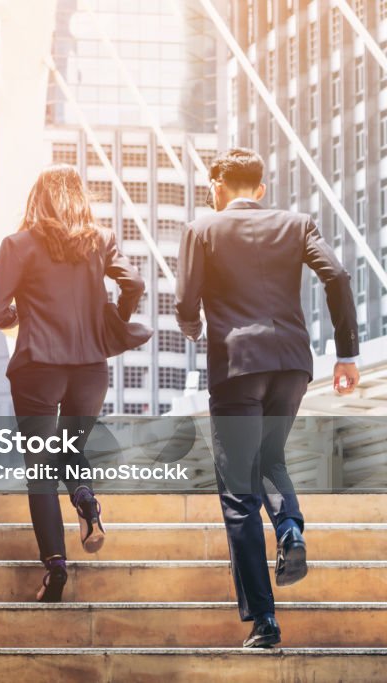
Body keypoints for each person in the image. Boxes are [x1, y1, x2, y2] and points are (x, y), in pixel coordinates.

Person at [176, 148, 360, 648]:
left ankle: (265, 621)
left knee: (238, 494)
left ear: (217, 185)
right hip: (292, 364)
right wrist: (346, 354)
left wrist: (192, 326)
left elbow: (185, 302)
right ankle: (290, 529)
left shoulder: (201, 229)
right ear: (259, 189)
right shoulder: (297, 223)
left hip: (237, 368)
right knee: (269, 457)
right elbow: (338, 277)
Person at [0, 165, 145, 602]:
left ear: (37, 199)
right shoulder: (100, 240)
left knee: (40, 468)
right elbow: (134, 283)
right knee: (71, 449)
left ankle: (55, 566)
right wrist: (113, 319)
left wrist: (23, 318)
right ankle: (85, 495)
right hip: (91, 365)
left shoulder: (17, 245)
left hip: (38, 365)